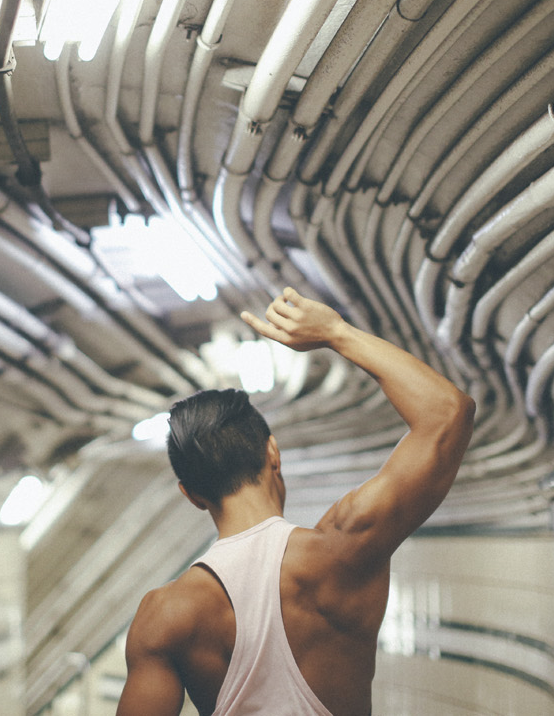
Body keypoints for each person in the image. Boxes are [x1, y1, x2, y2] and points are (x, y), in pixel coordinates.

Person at [115, 288, 475, 716]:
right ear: (273, 453)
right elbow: (448, 413)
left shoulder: (166, 614)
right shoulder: (342, 547)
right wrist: (335, 332)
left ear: (191, 495)